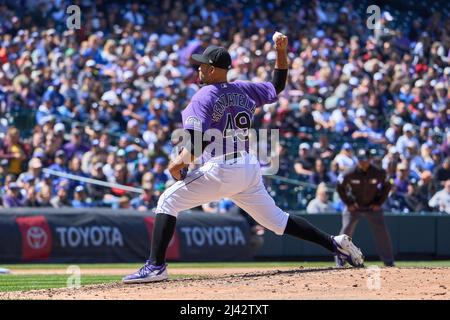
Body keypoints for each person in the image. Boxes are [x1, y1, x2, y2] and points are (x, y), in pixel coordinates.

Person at [123, 33, 364, 284]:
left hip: (223, 167)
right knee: (277, 220)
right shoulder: (244, 88)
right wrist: (281, 51)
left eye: (204, 65)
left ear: (215, 69)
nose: (200, 68)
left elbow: (200, 139)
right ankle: (335, 243)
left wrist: (180, 162)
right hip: (248, 166)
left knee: (166, 201)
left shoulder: (203, 96)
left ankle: (156, 266)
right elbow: (277, 86)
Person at [336, 149, 394, 267]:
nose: (363, 162)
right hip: (354, 207)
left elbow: (388, 185)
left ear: (370, 160)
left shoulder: (378, 172)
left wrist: (379, 203)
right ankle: (340, 262)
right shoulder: (350, 172)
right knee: (345, 232)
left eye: (365, 160)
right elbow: (339, 186)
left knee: (382, 233)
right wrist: (349, 203)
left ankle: (389, 262)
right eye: (360, 160)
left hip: (371, 206)